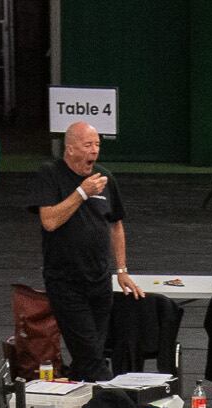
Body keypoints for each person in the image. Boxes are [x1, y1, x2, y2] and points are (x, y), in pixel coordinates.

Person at [30, 121, 139, 380]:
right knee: (91, 354)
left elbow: (116, 225)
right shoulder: (51, 174)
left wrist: (122, 269)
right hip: (66, 280)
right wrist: (81, 192)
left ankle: (80, 407)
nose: (94, 151)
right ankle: (111, 403)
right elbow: (50, 221)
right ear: (69, 149)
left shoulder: (105, 178)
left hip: (100, 280)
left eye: (97, 145)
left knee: (91, 353)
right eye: (87, 145)